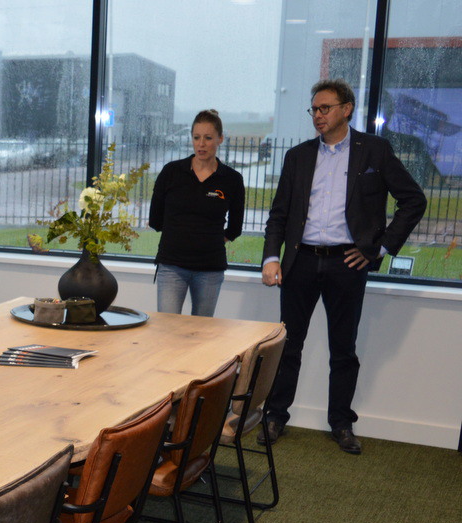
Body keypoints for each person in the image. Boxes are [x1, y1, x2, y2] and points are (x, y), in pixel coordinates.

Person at [260, 79, 426, 455]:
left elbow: (413, 200)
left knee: (344, 350)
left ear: (346, 109)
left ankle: (341, 424)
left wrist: (379, 248)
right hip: (301, 261)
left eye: (325, 108)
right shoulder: (298, 156)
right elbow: (279, 213)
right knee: (288, 345)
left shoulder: (375, 151)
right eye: (314, 109)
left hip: (347, 264)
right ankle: (274, 416)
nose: (318, 115)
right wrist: (271, 257)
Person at [148, 109, 245, 316]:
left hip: (210, 268)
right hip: (171, 266)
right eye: (196, 137)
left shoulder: (232, 179)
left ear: (220, 139)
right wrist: (181, 234)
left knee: (202, 331)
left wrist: (209, 240)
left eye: (208, 138)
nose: (201, 144)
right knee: (167, 328)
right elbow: (155, 219)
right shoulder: (171, 172)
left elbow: (235, 227)